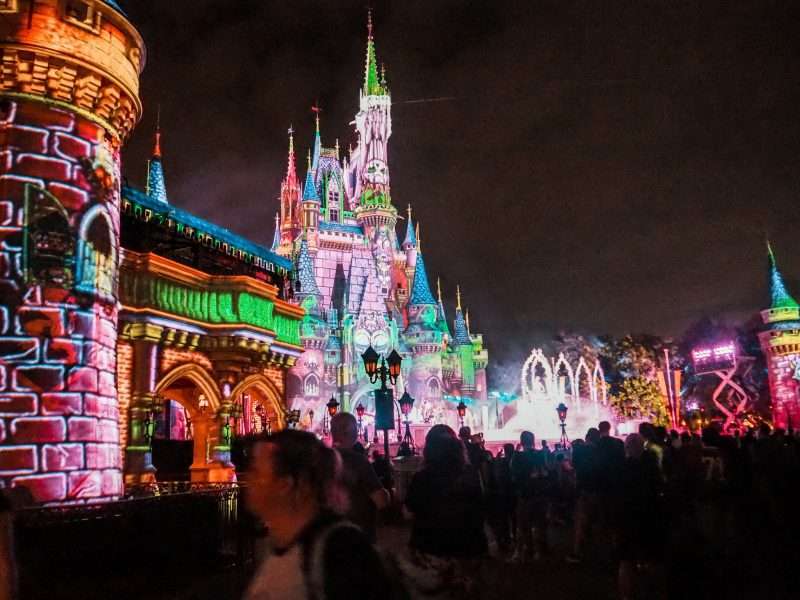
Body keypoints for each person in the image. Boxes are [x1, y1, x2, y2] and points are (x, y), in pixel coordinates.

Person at [244, 429, 391, 600]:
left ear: (285, 484)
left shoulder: (340, 552)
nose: (248, 480)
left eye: (256, 472)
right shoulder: (279, 545)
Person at [405, 425, 487, 596]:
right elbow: (481, 507)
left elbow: (408, 511)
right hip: (468, 547)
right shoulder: (471, 474)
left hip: (432, 547)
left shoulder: (421, 478)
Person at [330, 412, 389, 542]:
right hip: (358, 535)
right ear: (351, 433)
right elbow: (380, 500)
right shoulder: (359, 462)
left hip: (329, 536)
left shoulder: (319, 459)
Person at [511, 430, 553, 561]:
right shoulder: (539, 455)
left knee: (525, 524)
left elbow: (514, 476)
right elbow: (546, 471)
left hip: (525, 495)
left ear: (522, 442)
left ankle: (529, 549)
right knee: (540, 524)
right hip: (540, 494)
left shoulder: (517, 456)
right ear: (533, 441)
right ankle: (541, 549)